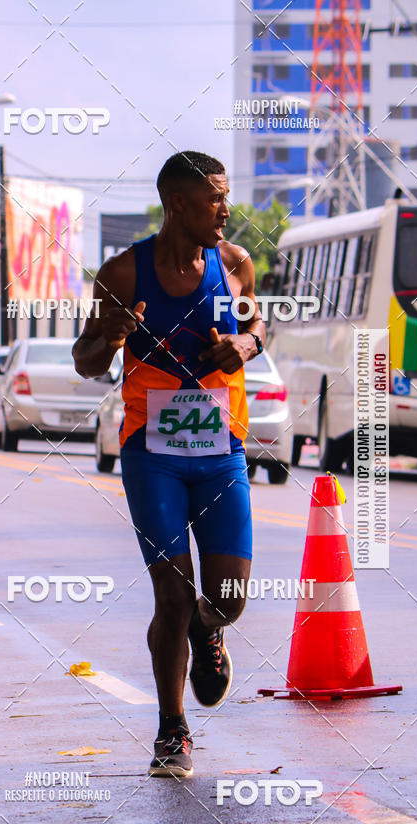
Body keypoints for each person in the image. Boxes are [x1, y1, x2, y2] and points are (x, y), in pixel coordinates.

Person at [73, 151, 265, 778]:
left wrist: (243, 344)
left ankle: (213, 631)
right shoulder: (124, 274)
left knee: (228, 597)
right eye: (216, 198)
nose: (226, 210)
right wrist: (111, 338)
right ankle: (171, 731)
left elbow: (257, 329)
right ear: (179, 203)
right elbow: (86, 360)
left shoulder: (234, 265)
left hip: (221, 452)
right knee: (172, 593)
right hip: (151, 454)